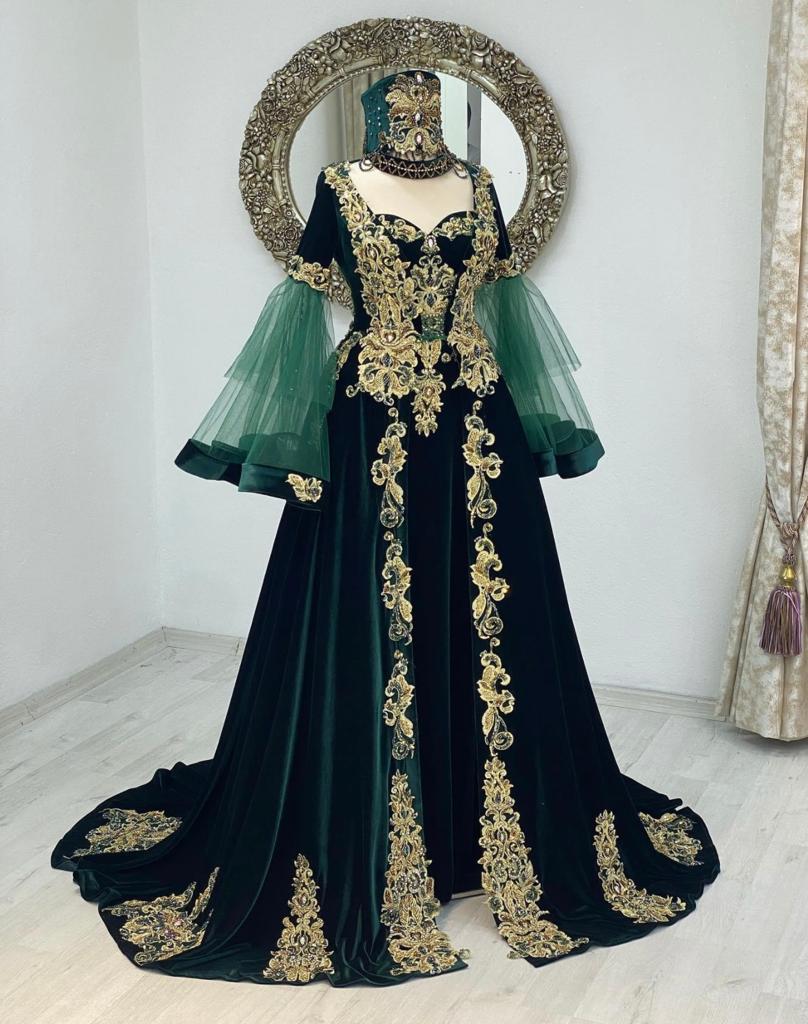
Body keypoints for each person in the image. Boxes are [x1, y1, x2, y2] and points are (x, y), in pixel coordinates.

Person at [51, 68, 719, 987]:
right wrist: (290, 444)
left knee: (496, 619)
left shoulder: (480, 188)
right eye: (400, 111)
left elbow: (507, 309)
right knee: (364, 619)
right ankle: (370, 831)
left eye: (425, 110)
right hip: (371, 426)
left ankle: (496, 828)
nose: (414, 120)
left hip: (476, 424)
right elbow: (298, 313)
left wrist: (539, 424)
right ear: (376, 116)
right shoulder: (338, 188)